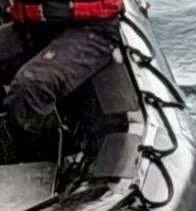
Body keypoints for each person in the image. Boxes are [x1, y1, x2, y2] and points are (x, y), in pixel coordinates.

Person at [0, 0, 121, 164]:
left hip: (90, 28)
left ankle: (55, 155)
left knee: (30, 88)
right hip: (36, 26)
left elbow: (109, 5)